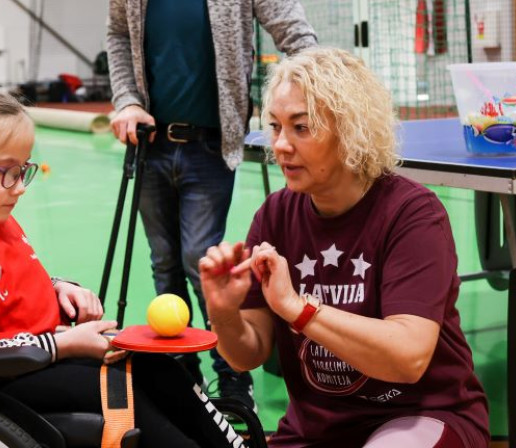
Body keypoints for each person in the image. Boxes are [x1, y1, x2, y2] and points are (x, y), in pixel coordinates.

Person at [0, 87, 248, 448]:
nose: (19, 187)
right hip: (3, 383)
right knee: (124, 393)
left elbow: (3, 283)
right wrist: (61, 345)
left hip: (44, 360)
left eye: (23, 170)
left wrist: (59, 287)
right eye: (7, 172)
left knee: (162, 368)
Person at [198, 47, 490, 447]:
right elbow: (248, 354)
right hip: (319, 431)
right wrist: (224, 313)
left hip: (421, 415)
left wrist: (297, 309)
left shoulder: (413, 214)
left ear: (352, 130)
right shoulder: (276, 214)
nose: (281, 145)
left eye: (301, 127)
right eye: (276, 127)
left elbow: (407, 358)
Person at [106, 0, 317, 410]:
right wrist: (127, 99)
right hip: (150, 143)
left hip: (210, 145)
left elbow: (296, 33)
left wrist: (310, 88)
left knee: (198, 260)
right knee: (164, 261)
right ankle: (181, 370)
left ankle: (233, 375)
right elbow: (117, 35)